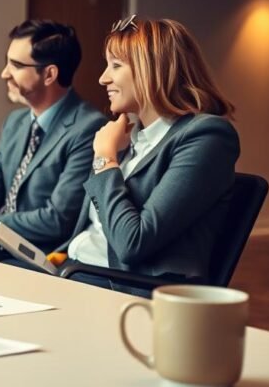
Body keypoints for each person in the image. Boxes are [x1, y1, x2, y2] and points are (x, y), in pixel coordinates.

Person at [53, 16, 240, 292]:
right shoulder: (128, 136)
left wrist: (105, 158)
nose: (103, 78)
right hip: (75, 270)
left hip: (126, 288)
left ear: (151, 70)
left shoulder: (207, 137)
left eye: (115, 66)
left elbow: (132, 244)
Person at [0, 20, 105, 259]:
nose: (4, 73)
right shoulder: (14, 122)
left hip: (38, 259)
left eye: (15, 65)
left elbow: (57, 220)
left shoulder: (89, 128)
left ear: (49, 74)